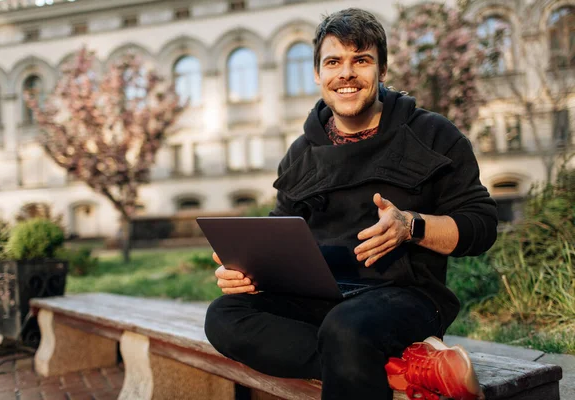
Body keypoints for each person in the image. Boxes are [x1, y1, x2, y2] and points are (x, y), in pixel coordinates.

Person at [204, 8, 497, 400]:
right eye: (333, 62)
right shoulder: (302, 152)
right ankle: (403, 368)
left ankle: (364, 354)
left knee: (346, 330)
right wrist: (245, 271)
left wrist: (412, 226)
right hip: (322, 299)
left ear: (382, 69)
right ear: (317, 74)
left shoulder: (433, 134)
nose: (346, 73)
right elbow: (278, 234)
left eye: (361, 60)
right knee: (224, 316)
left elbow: (482, 226)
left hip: (409, 298)